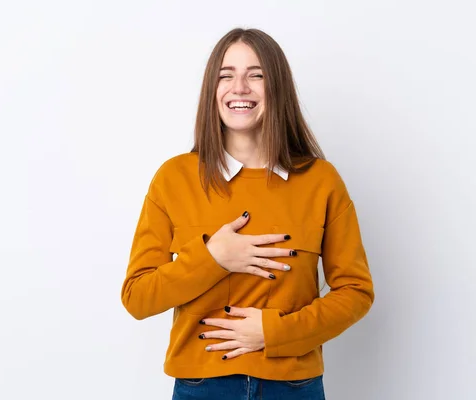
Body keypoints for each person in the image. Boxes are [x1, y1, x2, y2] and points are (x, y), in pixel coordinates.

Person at [121, 27, 374, 400]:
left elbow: (356, 292)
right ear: (213, 90)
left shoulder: (321, 181)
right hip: (201, 388)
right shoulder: (174, 178)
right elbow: (138, 297)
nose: (240, 87)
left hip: (294, 387)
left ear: (278, 89)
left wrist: (276, 332)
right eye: (227, 75)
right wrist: (213, 258)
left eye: (256, 75)